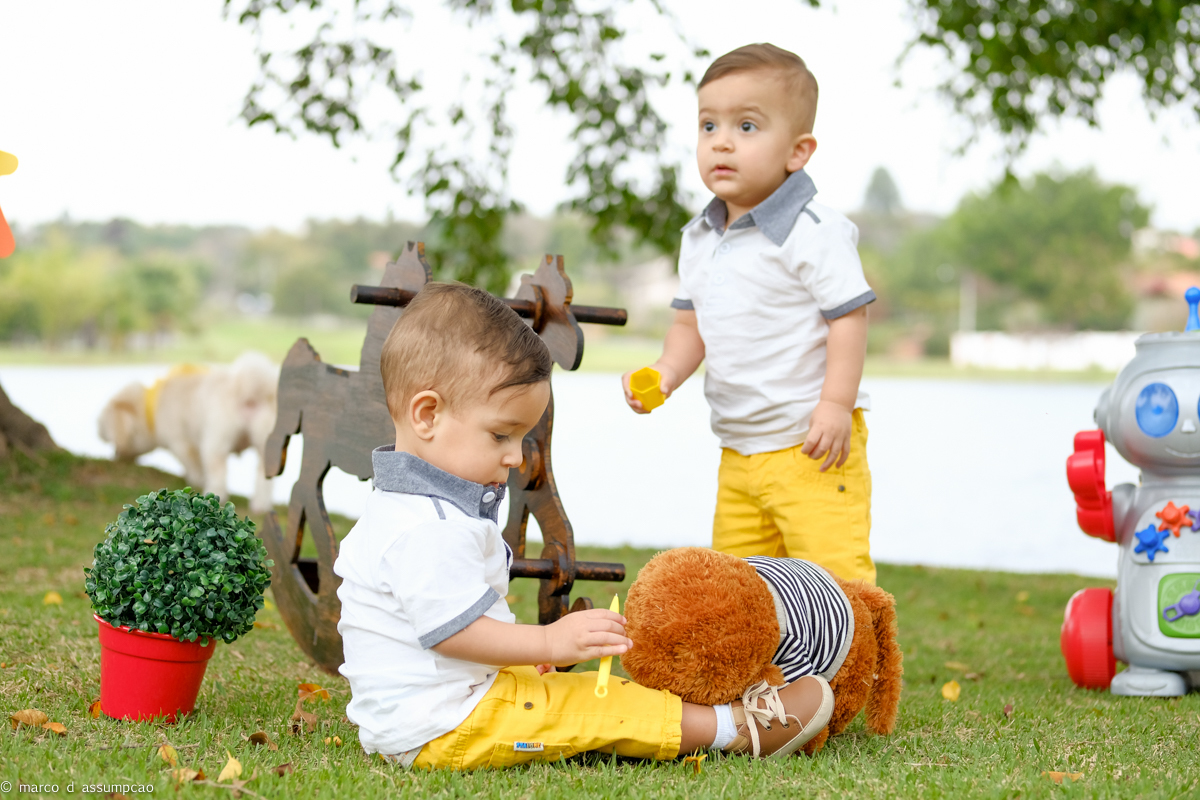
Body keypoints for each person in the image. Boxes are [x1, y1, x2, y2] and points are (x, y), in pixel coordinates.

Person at [334, 282, 835, 769]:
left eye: (522, 437)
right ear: (428, 415)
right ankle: (739, 729)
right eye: (501, 435)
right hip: (445, 724)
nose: (514, 456)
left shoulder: (406, 505)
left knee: (577, 693)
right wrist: (546, 643)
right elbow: (454, 634)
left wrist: (521, 659)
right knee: (594, 707)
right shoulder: (429, 527)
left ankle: (722, 718)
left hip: (431, 712)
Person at [622, 43, 876, 584]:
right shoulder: (699, 237)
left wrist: (835, 405)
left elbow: (848, 320)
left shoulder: (814, 232)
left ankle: (863, 670)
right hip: (738, 449)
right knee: (741, 587)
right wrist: (664, 376)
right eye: (708, 125)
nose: (722, 142)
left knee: (838, 579)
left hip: (812, 444)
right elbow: (691, 325)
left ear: (798, 151)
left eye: (747, 126)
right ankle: (766, 673)